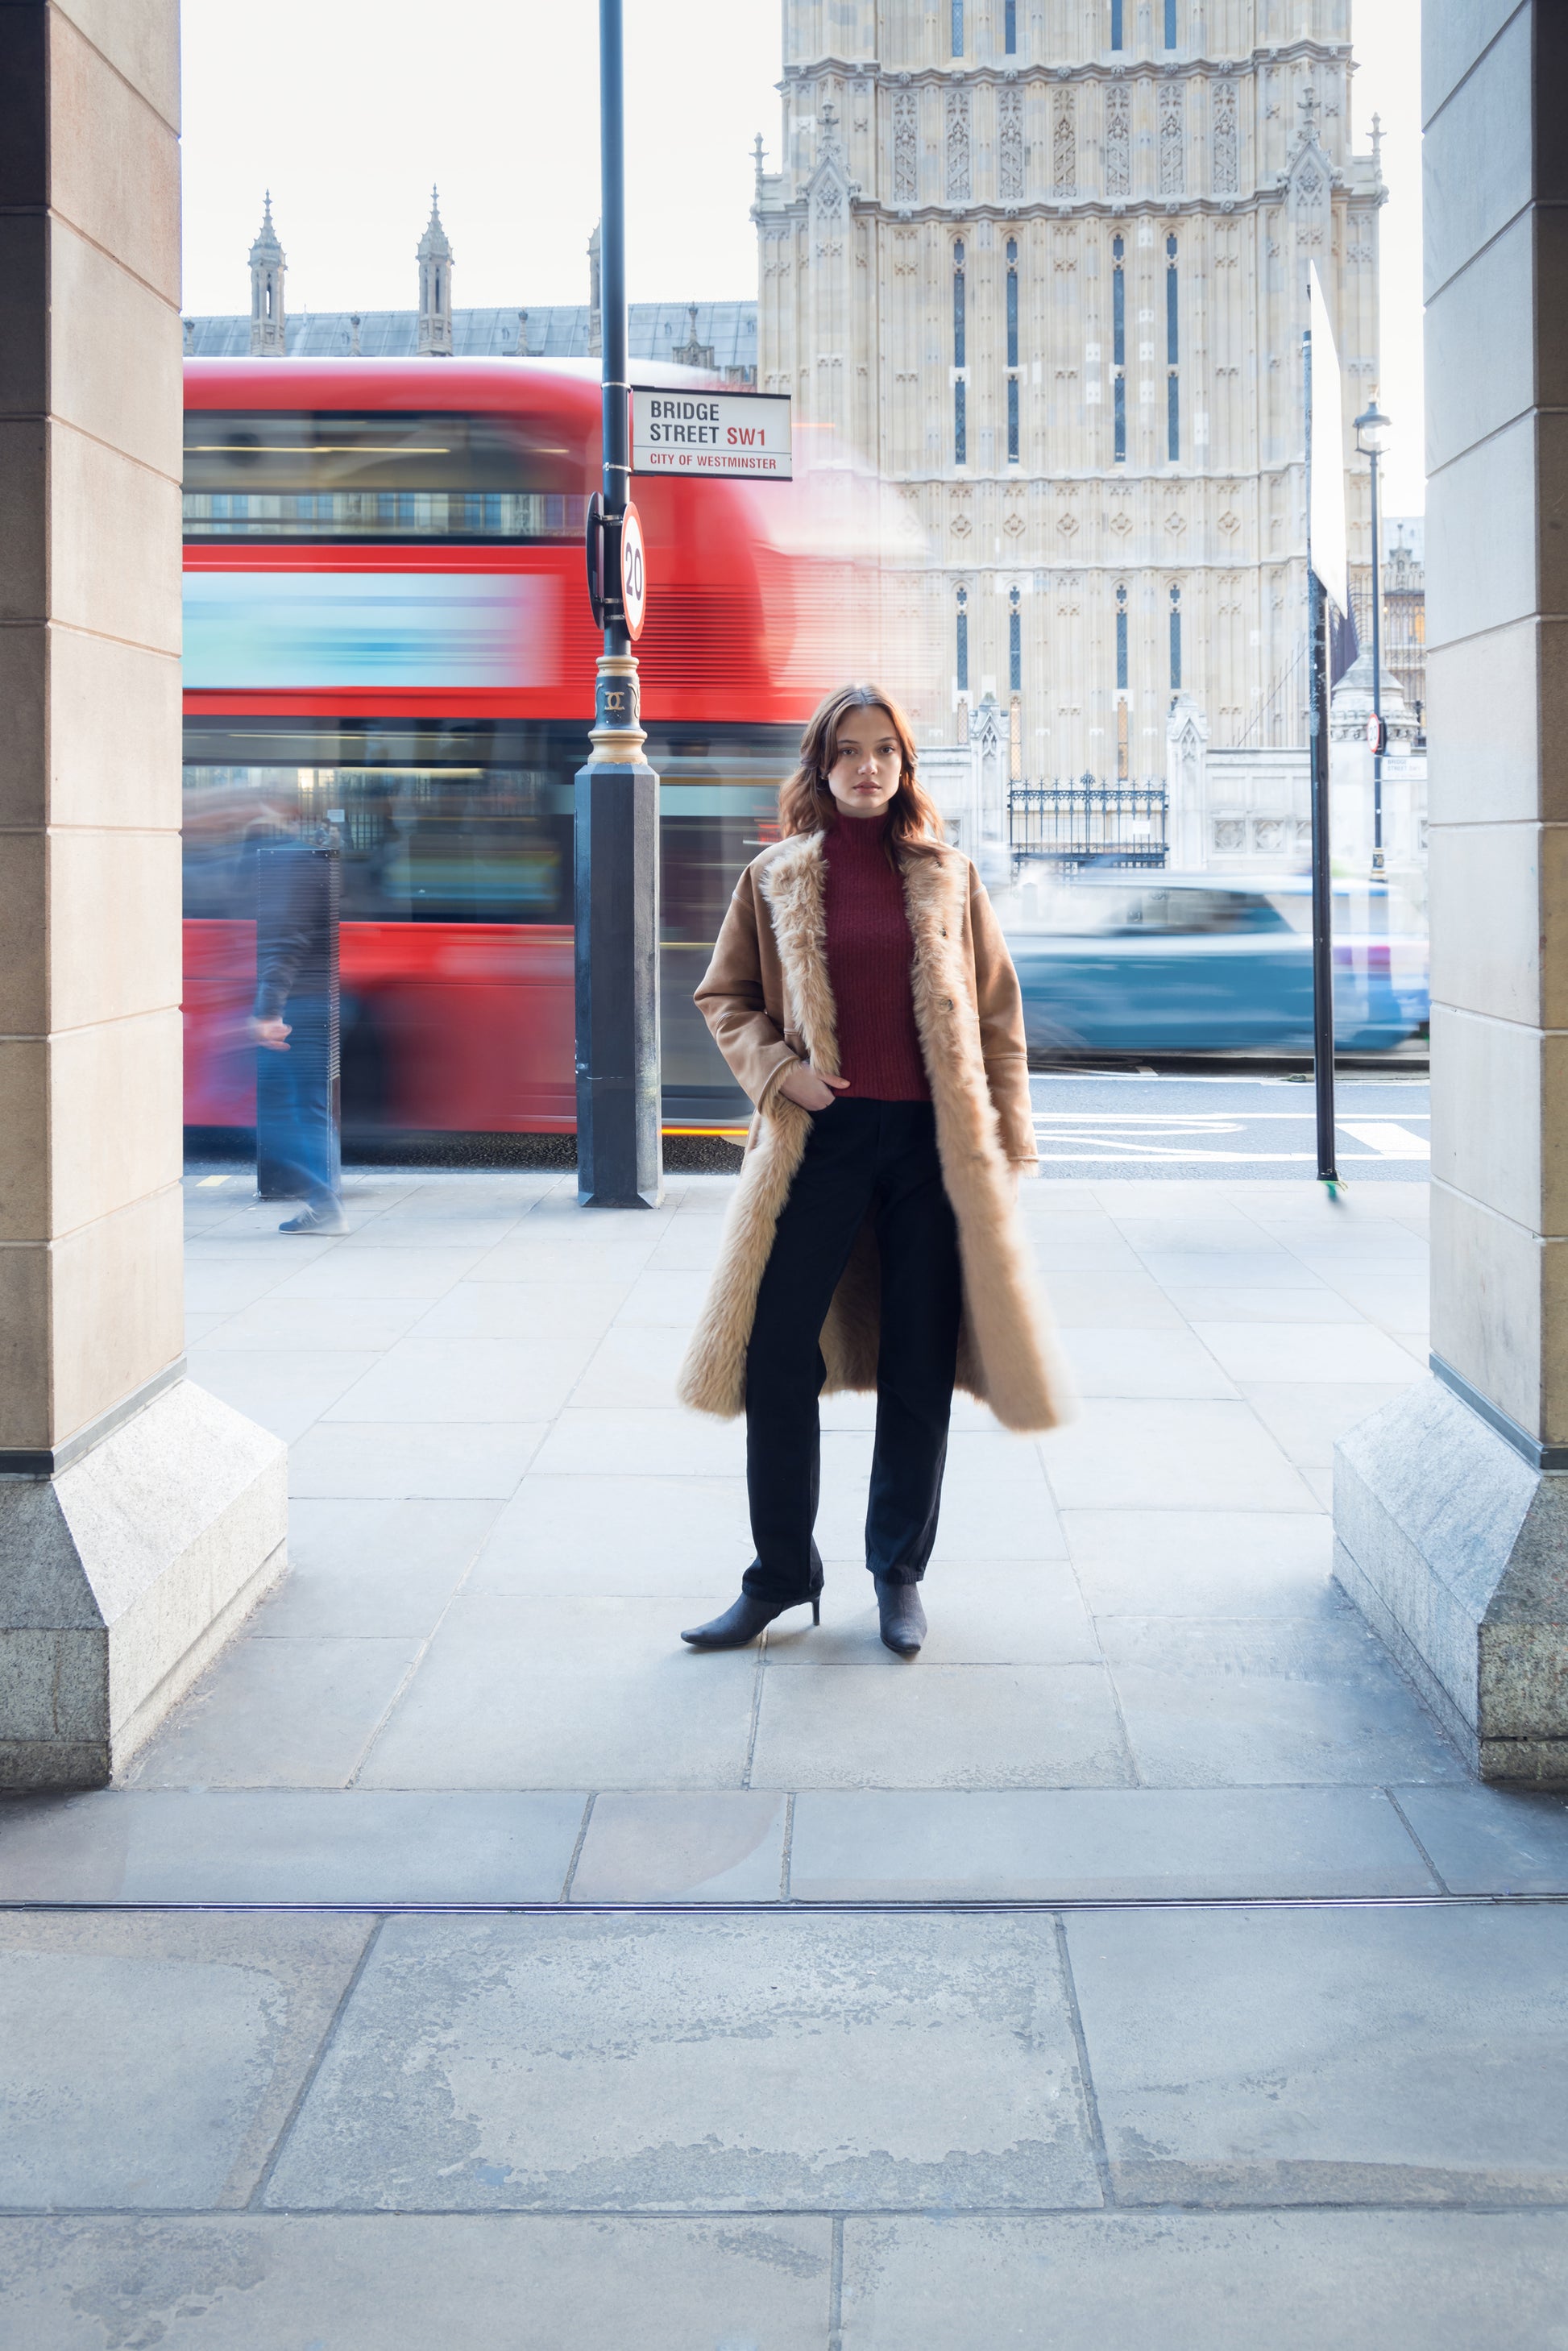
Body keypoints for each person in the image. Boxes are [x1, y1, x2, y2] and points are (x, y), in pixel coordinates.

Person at [677, 682, 1067, 1659]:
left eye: (882, 750)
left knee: (917, 1362)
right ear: (820, 765)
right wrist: (781, 1073)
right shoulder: (772, 876)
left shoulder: (948, 875)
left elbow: (995, 1023)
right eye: (846, 750)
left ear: (903, 765)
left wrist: (1007, 1145)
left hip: (929, 1151)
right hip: (821, 1143)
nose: (865, 766)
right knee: (774, 1356)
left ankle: (897, 1572)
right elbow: (724, 995)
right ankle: (778, 1574)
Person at [250, 828, 346, 1235]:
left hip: (295, 1008)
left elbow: (283, 945)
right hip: (313, 999)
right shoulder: (311, 864)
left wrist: (269, 1010)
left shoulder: (281, 866)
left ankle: (325, 1205)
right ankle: (325, 1203)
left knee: (286, 1114)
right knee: (307, 1109)